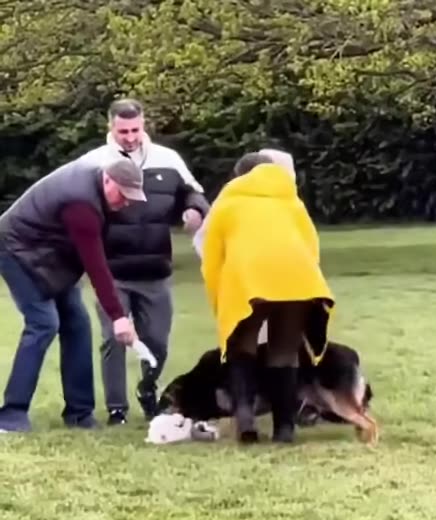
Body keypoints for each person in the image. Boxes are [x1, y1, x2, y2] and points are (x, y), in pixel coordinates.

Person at [83, 98, 209, 425]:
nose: (129, 137)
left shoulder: (168, 160)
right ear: (110, 126)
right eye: (122, 130)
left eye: (135, 129)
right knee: (113, 337)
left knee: (157, 341)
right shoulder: (95, 163)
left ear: (144, 124)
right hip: (112, 271)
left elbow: (192, 191)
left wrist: (194, 209)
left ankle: (148, 386)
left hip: (155, 271)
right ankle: (116, 409)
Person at [200, 151, 335, 444]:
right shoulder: (292, 202)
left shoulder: (228, 204)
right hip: (298, 281)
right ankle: (284, 429)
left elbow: (212, 261)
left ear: (239, 177)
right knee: (284, 351)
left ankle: (246, 421)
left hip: (250, 282)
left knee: (242, 347)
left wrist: (221, 304)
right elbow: (311, 247)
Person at [0, 155, 141, 433]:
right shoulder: (81, 204)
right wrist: (118, 316)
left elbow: (102, 250)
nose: (125, 202)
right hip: (14, 247)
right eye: (123, 194)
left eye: (132, 197)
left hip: (50, 254)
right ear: (108, 180)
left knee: (77, 323)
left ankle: (79, 413)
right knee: (44, 323)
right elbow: (95, 264)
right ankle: (10, 415)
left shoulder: (101, 193)